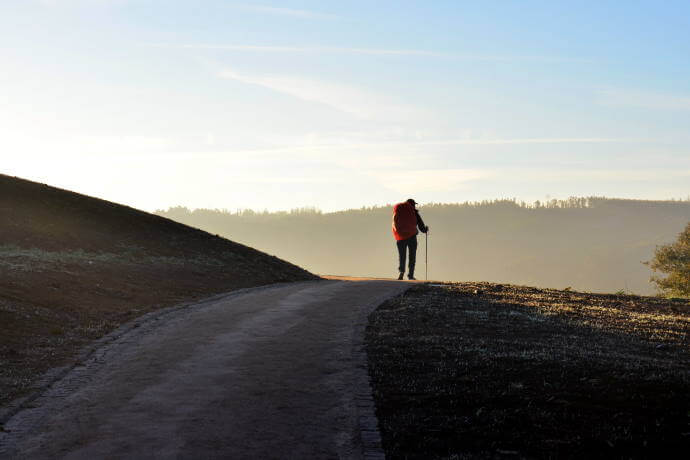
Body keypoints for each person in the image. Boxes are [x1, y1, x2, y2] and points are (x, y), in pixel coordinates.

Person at [392, 198, 429, 280]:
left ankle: (401, 273)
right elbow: (420, 225)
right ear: (412, 204)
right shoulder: (413, 212)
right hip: (412, 237)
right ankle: (410, 275)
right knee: (412, 256)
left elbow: (395, 222)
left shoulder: (399, 210)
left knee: (402, 256)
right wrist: (425, 230)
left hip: (400, 237)